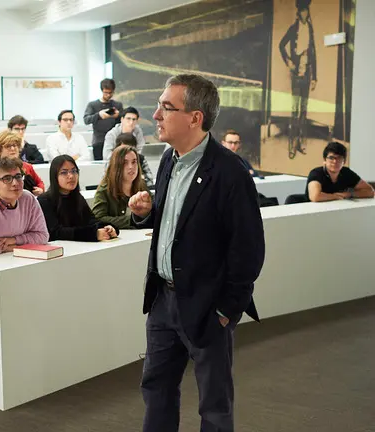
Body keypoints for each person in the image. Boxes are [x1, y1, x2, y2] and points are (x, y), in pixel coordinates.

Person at [127, 74, 265, 431]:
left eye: (166, 107)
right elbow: (178, 223)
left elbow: (248, 250)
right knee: (156, 390)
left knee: (214, 406)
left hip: (207, 307)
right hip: (162, 302)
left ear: (195, 118)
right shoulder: (169, 160)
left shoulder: (230, 173)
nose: (156, 115)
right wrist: (146, 214)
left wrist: (226, 311)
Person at [38, 155, 117, 241]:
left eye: (74, 171)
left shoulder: (78, 197)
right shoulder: (44, 200)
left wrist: (107, 228)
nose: (71, 176)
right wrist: (93, 234)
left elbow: (91, 221)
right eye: (64, 172)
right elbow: (55, 232)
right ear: (54, 176)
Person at [280, 0, 316, 158]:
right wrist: (288, 61)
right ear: (298, 12)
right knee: (295, 111)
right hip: (296, 76)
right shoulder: (293, 28)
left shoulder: (310, 28)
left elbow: (313, 53)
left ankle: (301, 143)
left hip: (307, 74)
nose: (304, 13)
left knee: (303, 110)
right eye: (302, 10)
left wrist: (315, 77)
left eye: (306, 10)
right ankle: (292, 145)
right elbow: (281, 45)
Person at [93, 144, 147, 230]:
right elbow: (98, 218)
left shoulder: (142, 186)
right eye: (125, 163)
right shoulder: (104, 190)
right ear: (116, 165)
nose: (131, 167)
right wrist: (132, 221)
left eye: (134, 162)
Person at [0, 130, 45, 196]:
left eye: (15, 145)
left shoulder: (27, 166)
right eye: (8, 146)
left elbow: (40, 183)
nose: (12, 149)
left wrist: (40, 189)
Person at [306, 142, 374, 202]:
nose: (335, 161)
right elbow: (315, 196)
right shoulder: (316, 173)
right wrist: (335, 196)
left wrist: (348, 194)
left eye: (339, 158)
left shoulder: (347, 172)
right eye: (331, 158)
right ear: (324, 160)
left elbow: (370, 191)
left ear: (344, 161)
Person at [83, 78, 123, 161]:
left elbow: (123, 121)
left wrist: (117, 116)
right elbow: (86, 120)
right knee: (99, 165)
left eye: (110, 93)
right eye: (106, 92)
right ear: (102, 91)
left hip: (115, 140)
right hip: (99, 141)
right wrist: (99, 115)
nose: (108, 95)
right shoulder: (93, 105)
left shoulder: (117, 105)